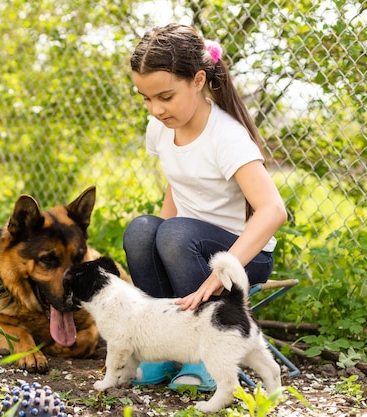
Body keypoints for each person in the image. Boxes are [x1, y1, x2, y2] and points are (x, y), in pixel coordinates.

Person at [123, 23, 287, 391]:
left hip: (244, 255)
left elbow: (273, 210)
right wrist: (152, 243)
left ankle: (209, 355)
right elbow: (177, 185)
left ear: (198, 80)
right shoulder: (162, 128)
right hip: (187, 246)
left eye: (165, 96)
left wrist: (221, 274)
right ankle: (162, 347)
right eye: (145, 98)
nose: (155, 109)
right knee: (141, 231)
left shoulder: (225, 136)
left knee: (176, 234)